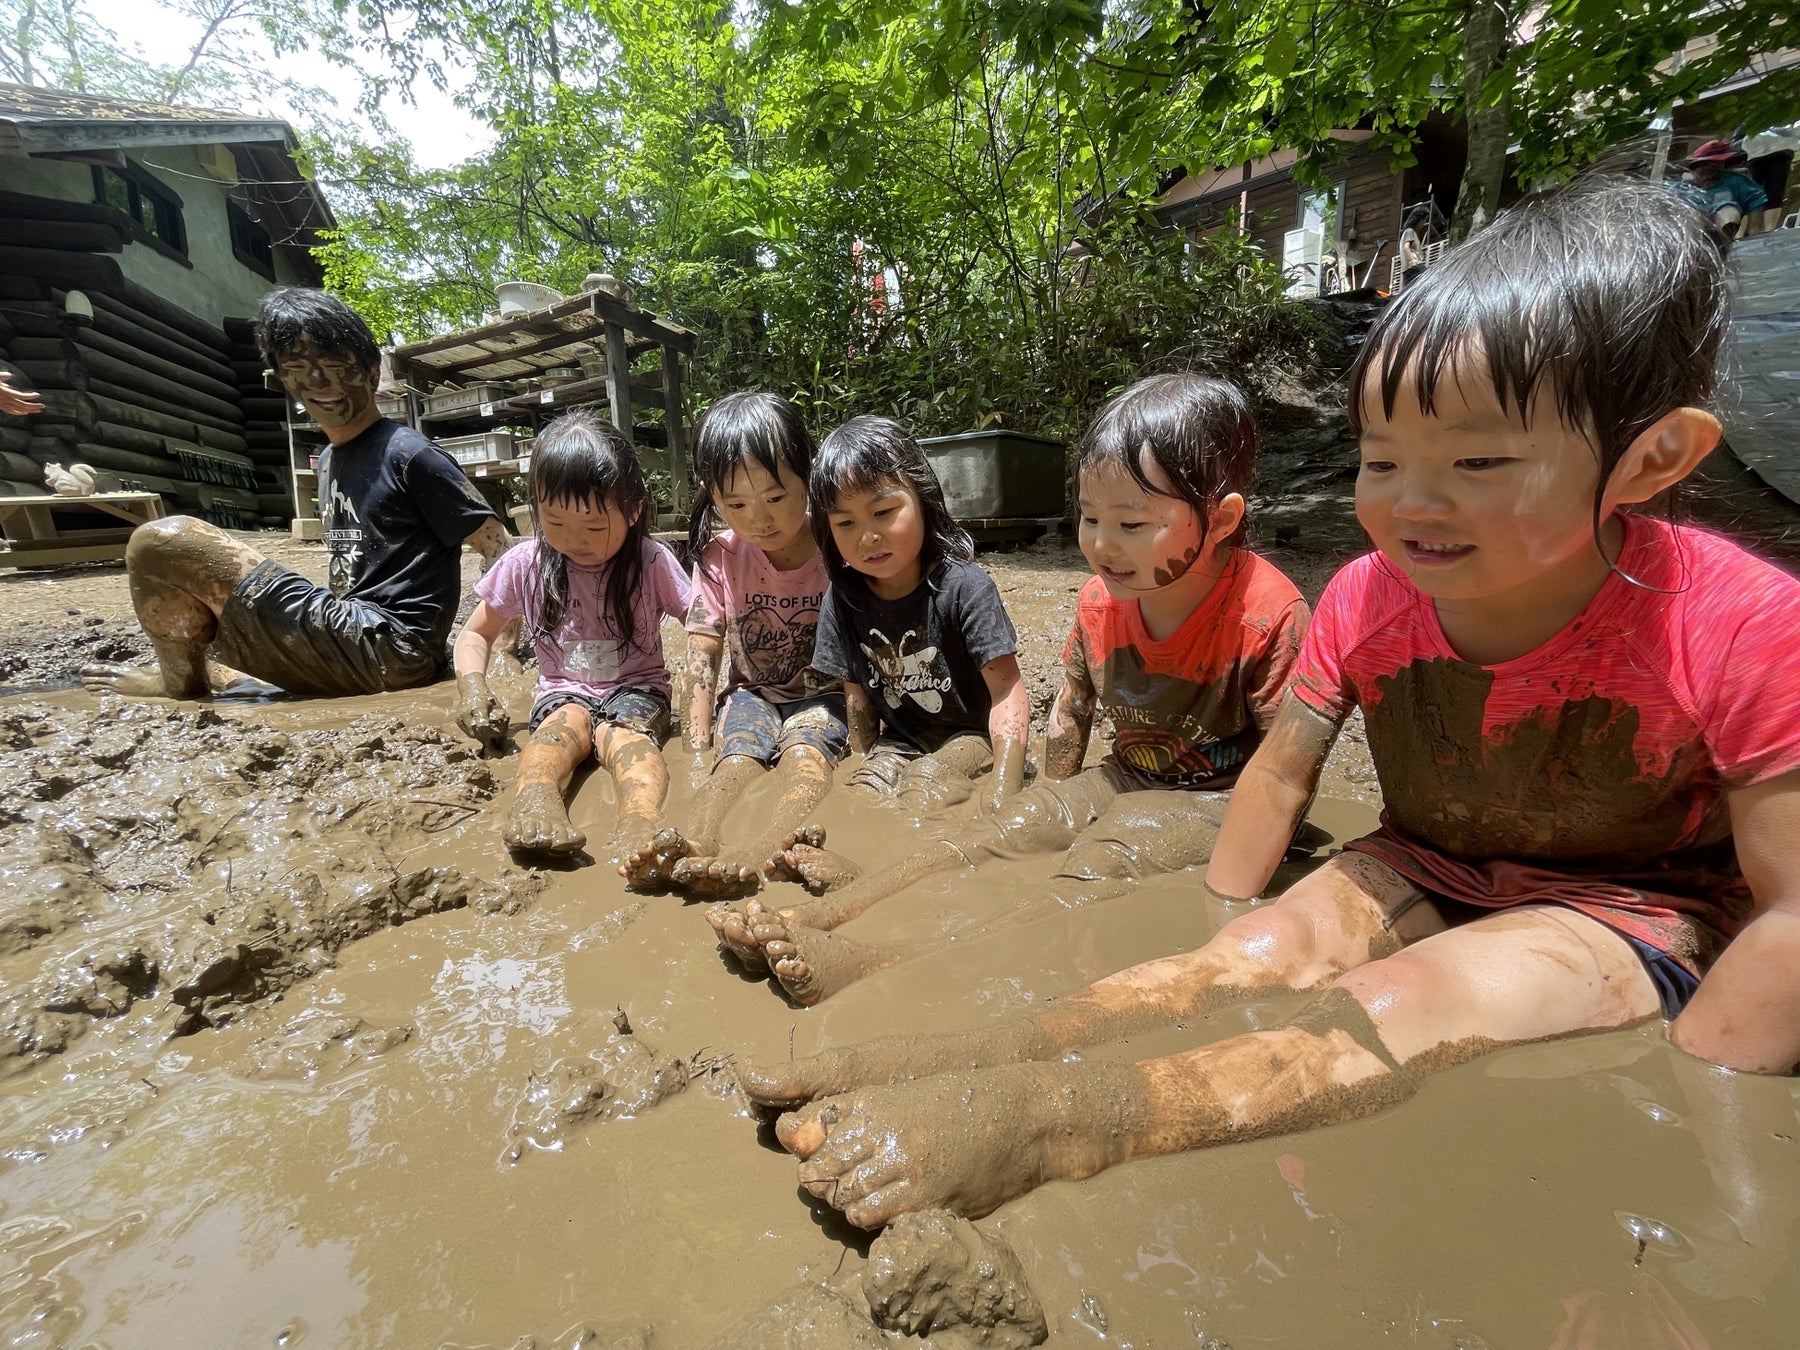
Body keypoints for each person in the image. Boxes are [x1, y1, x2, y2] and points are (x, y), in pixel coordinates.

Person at [735, 177, 1800, 1230]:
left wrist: (1710, 1109)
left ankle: (1064, 1119)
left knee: (1412, 997)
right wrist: (1227, 924)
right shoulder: (1372, 595)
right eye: (1383, 460)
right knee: (1239, 960)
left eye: (1477, 459)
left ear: (1651, 459)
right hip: (1422, 857)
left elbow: (1791, 910)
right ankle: (958, 1058)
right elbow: (1282, 775)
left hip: (1627, 907)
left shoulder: (1743, 623)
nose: (1413, 503)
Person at [709, 376, 1310, 1005]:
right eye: (1090, 517)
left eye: (1131, 523)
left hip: (1221, 796)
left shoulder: (1267, 614)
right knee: (1008, 828)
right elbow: (1072, 711)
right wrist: (1046, 798)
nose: (1102, 545)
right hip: (1127, 773)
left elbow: (1283, 775)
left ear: (1220, 520)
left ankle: (882, 960)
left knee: (1100, 859)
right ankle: (825, 914)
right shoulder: (1101, 600)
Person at [80, 287, 509, 699]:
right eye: (299, 367)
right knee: (193, 615)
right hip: (350, 634)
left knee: (160, 540)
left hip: (390, 645)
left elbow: (499, 549)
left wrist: (502, 656)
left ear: (372, 371)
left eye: (336, 362)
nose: (321, 380)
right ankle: (204, 673)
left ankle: (179, 684)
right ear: (284, 380)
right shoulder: (328, 460)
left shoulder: (410, 454)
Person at [620, 392, 846, 897]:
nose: (759, 519)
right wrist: (695, 749)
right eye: (736, 504)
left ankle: (769, 844)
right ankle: (693, 839)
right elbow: (702, 654)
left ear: (807, 479)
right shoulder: (719, 556)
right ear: (712, 496)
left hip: (824, 697)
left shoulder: (838, 545)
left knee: (806, 756)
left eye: (775, 497)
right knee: (736, 758)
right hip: (752, 696)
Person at [453, 410, 691, 859]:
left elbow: (701, 625)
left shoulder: (651, 560)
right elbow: (475, 635)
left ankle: (640, 820)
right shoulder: (525, 563)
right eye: (555, 523)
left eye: (594, 527)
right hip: (562, 690)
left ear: (634, 510)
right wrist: (472, 687)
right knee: (555, 735)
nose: (574, 540)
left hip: (636, 689)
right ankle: (535, 801)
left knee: (629, 741)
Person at [806, 415, 1028, 813]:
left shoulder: (965, 587)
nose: (868, 536)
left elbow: (1007, 690)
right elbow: (856, 699)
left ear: (924, 500)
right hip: (901, 740)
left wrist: (1004, 784)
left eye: (884, 511)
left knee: (923, 789)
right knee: (857, 799)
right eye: (845, 522)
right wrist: (863, 761)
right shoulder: (842, 598)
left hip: (970, 737)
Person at [1672, 139, 1769, 241]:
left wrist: (1756, 233)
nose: (1710, 169)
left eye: (1715, 165)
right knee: (1692, 217)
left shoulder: (1734, 181)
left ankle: (1725, 243)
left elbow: (1755, 199)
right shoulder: (1680, 189)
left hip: (1724, 228)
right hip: (1692, 233)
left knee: (1728, 211)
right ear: (1694, 168)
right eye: (1705, 165)